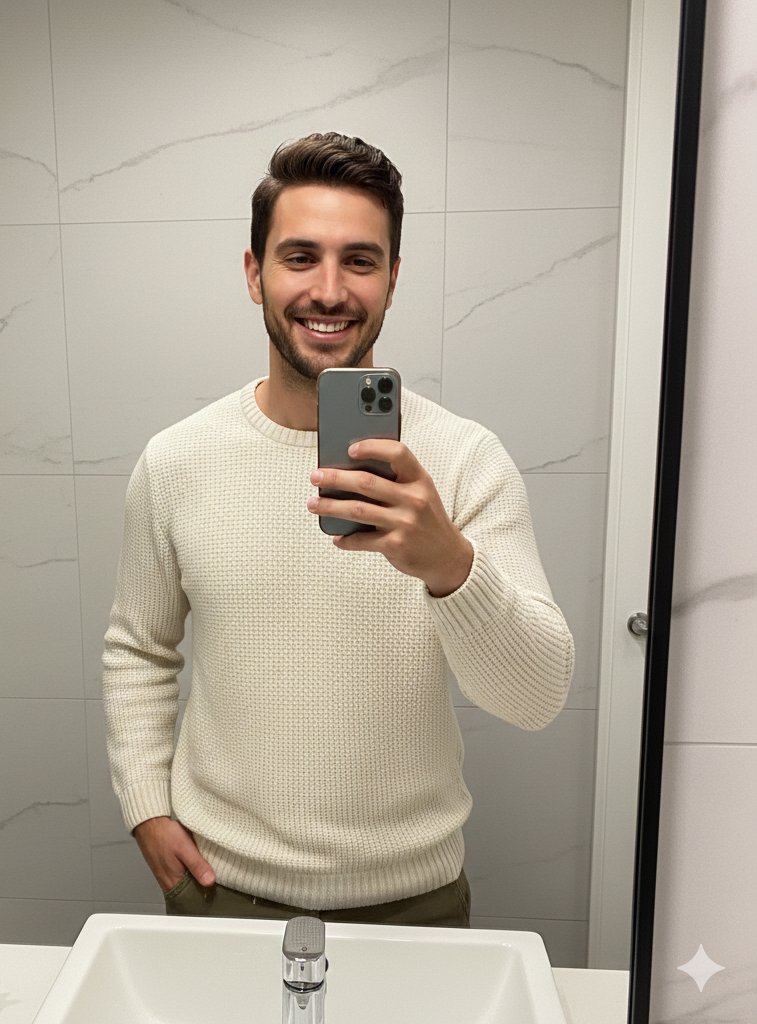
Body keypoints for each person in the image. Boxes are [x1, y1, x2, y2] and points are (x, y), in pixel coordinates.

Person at [102, 132, 573, 927]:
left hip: (417, 902)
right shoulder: (177, 460)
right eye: (299, 257)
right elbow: (139, 647)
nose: (329, 290)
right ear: (254, 273)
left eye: (359, 260)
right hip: (223, 892)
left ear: (393, 278)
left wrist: (452, 568)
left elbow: (536, 698)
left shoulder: (466, 460)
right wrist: (145, 802)